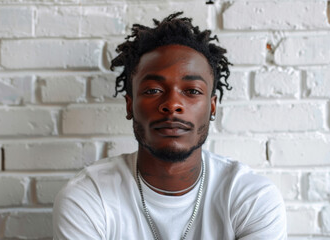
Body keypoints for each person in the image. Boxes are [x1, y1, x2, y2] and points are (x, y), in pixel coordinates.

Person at [53, 12, 287, 239]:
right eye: (153, 90)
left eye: (192, 91)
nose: (173, 104)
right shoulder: (89, 198)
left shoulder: (251, 197)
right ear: (130, 105)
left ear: (212, 107)